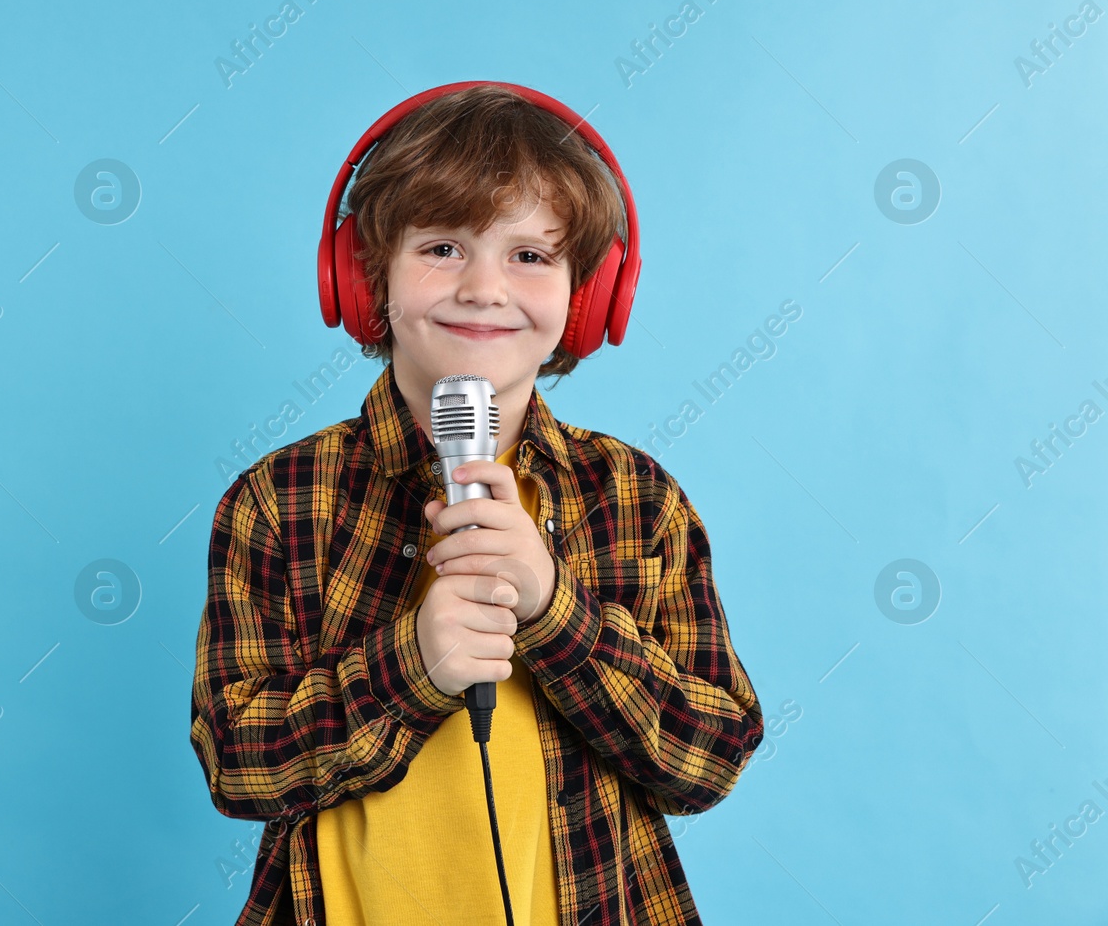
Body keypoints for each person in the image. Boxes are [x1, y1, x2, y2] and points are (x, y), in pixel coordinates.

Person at [190, 83, 764, 925]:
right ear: (363, 277)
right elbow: (238, 763)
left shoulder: (637, 498)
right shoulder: (280, 500)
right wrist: (410, 667)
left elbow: (708, 758)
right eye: (443, 248)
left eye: (531, 255)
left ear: (591, 293)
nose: (485, 288)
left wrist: (552, 605)